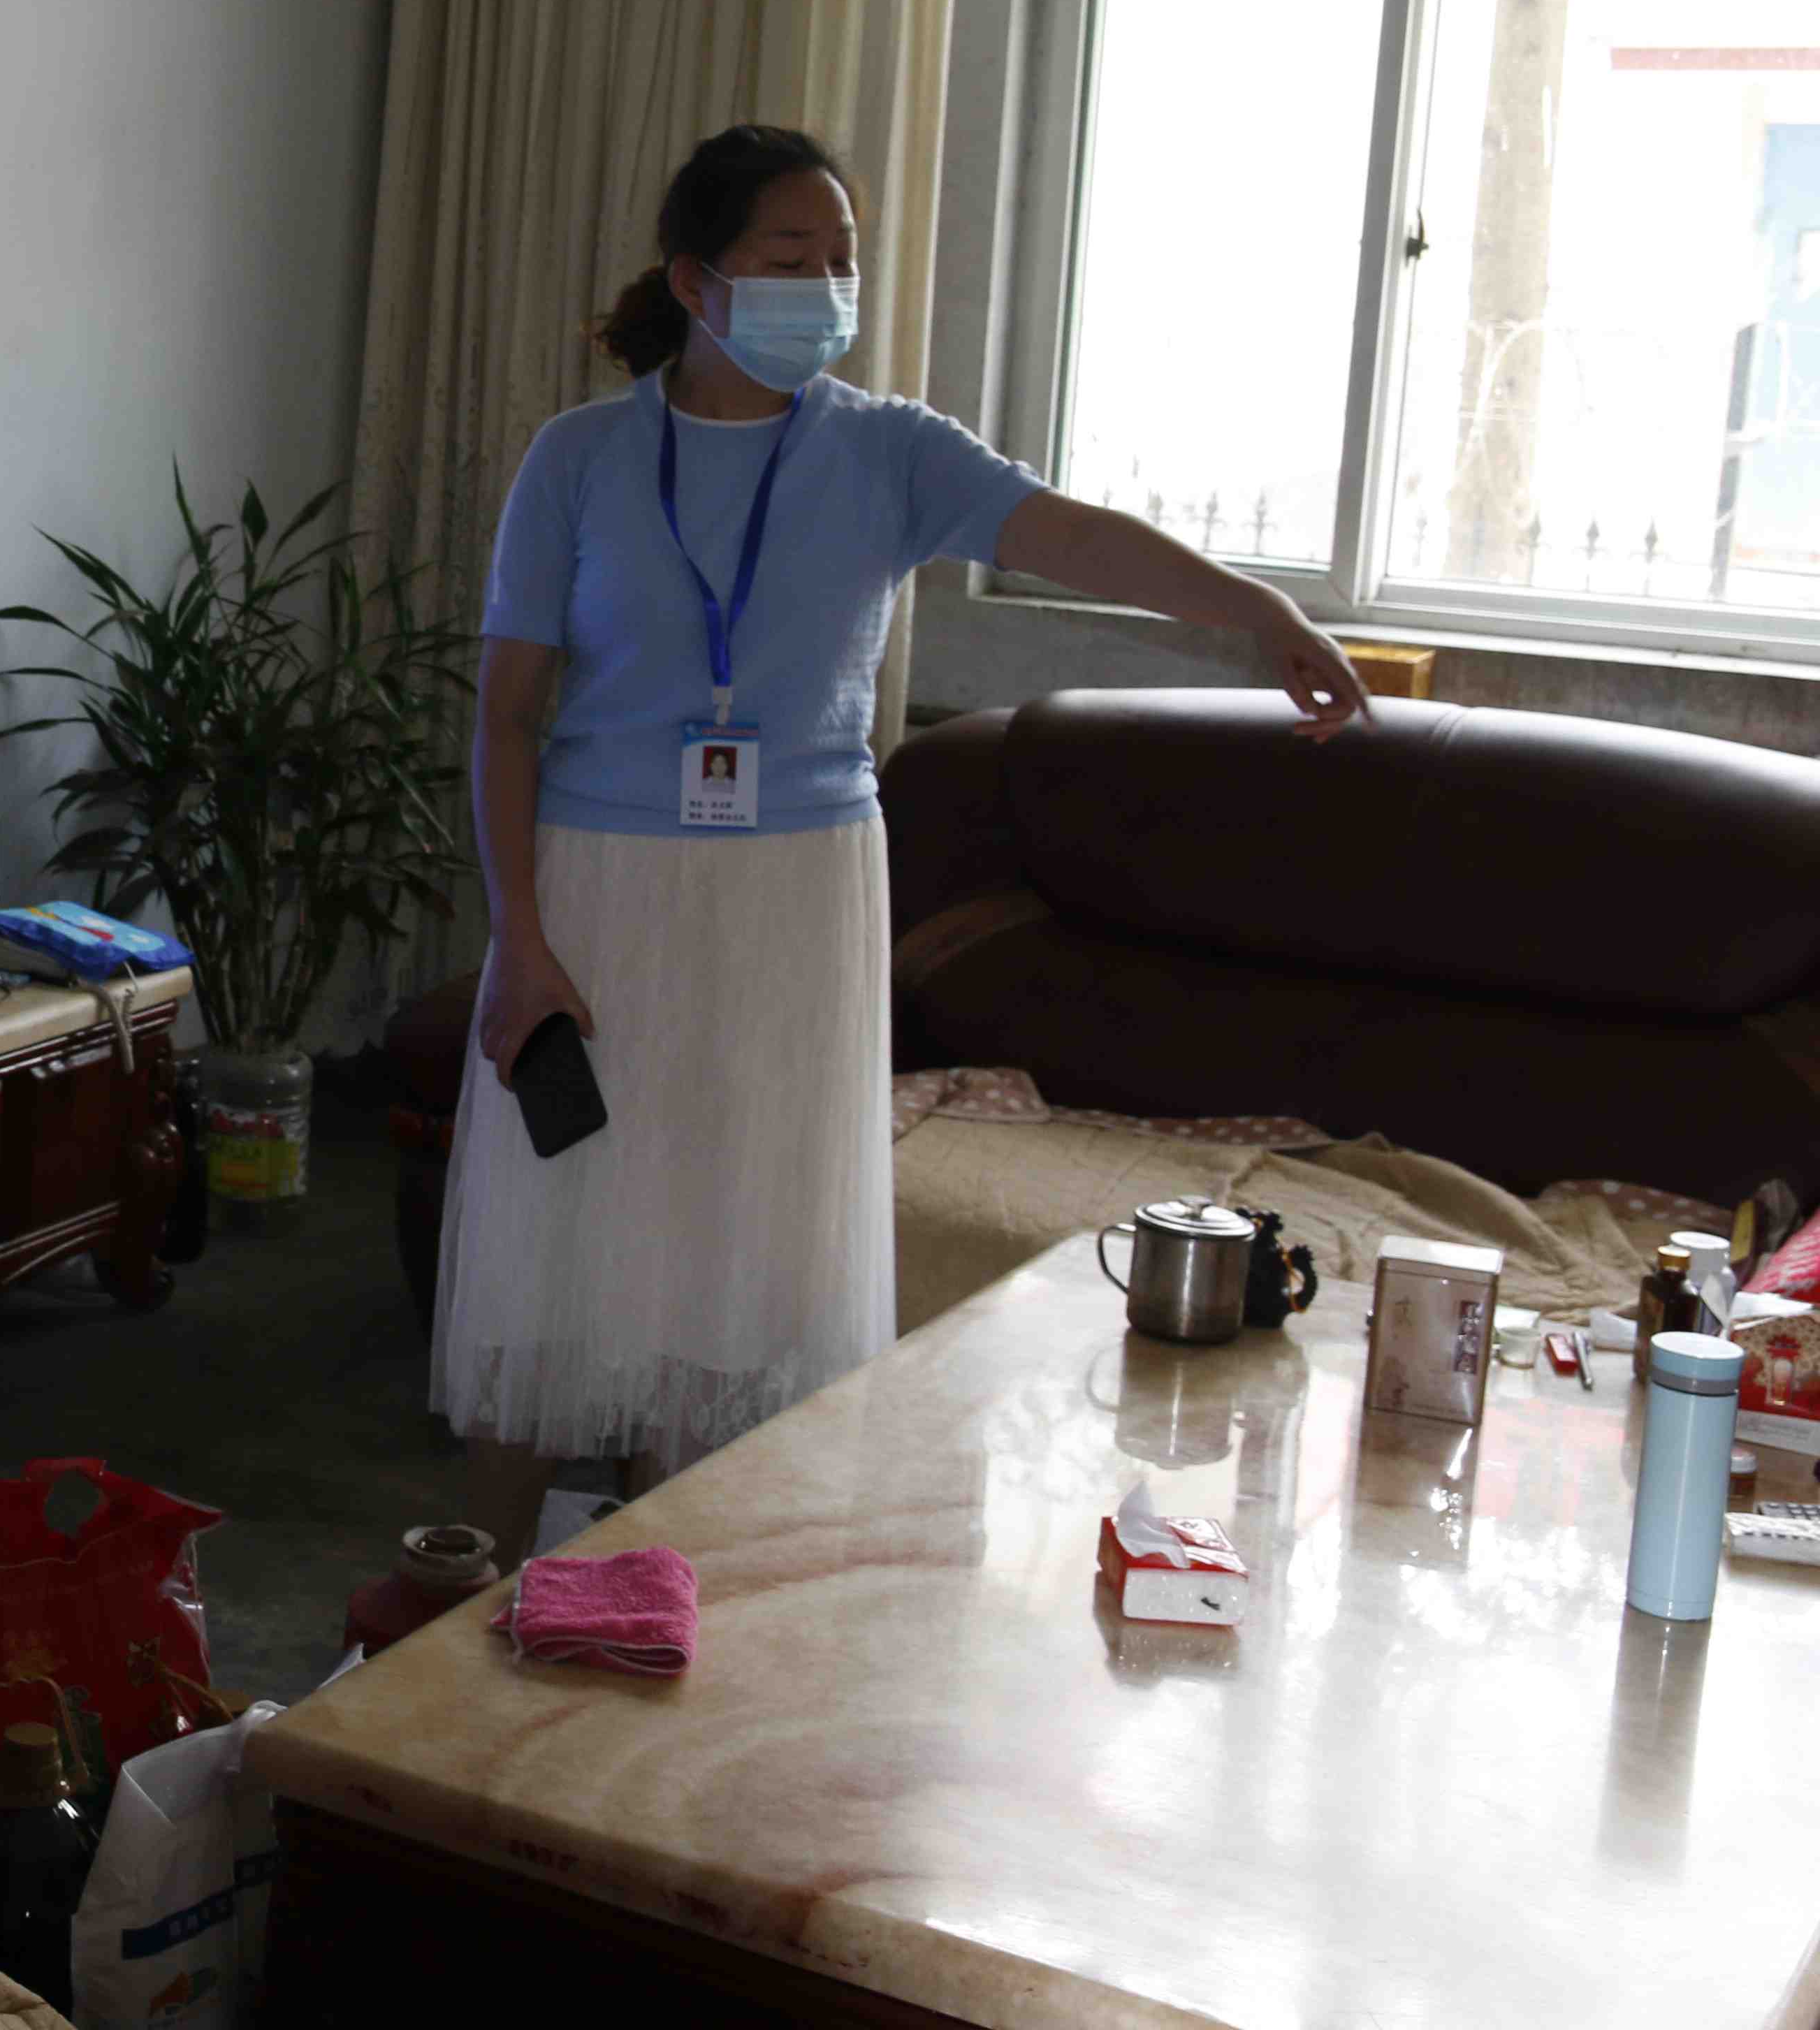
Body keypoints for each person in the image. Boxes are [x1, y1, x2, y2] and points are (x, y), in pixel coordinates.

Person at [436, 124, 1365, 1551]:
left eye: (843, 258)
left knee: (744, 1244)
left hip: (802, 887)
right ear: (694, 280)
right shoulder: (580, 459)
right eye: (789, 256)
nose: (826, 285)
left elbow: (1077, 537)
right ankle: (463, 1587)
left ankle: (670, 1591)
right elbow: (507, 718)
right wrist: (517, 940)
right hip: (599, 883)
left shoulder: (888, 451)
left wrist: (1262, 610)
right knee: (560, 1237)